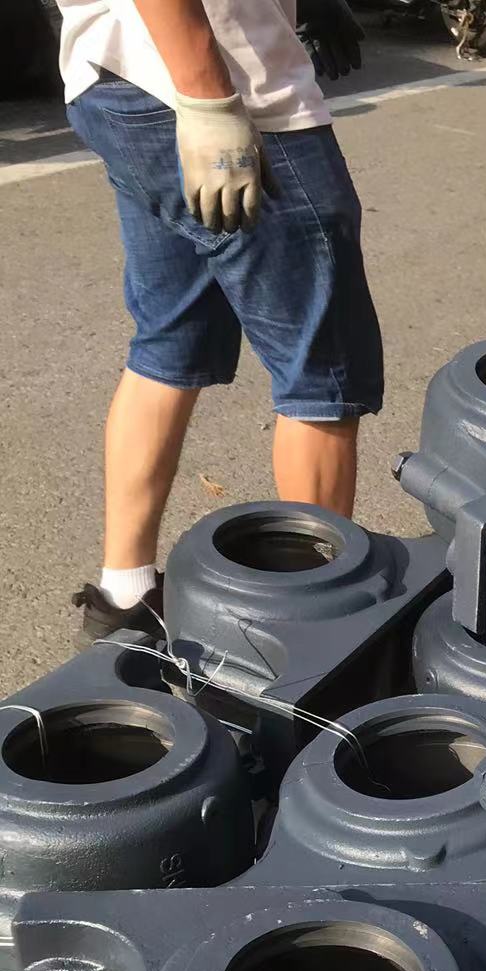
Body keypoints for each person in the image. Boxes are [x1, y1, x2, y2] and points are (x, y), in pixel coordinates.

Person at [53, 0, 383, 641]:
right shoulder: (217, 94)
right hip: (224, 92)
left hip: (117, 74)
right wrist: (208, 97)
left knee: (172, 341)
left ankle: (125, 600)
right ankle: (307, 630)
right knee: (323, 372)